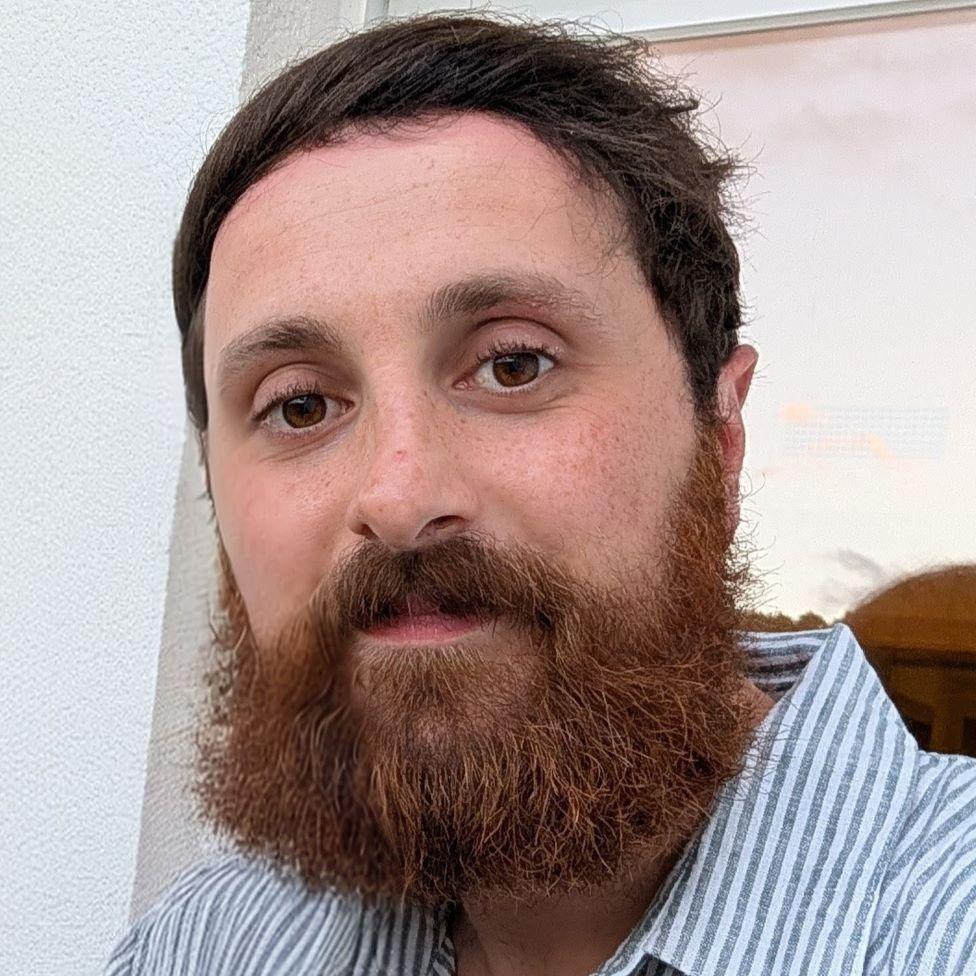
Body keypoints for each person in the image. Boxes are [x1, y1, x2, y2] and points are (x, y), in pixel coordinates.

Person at [105, 13, 976, 976]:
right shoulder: (205, 944)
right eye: (299, 405)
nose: (399, 496)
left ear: (720, 432)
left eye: (513, 365)